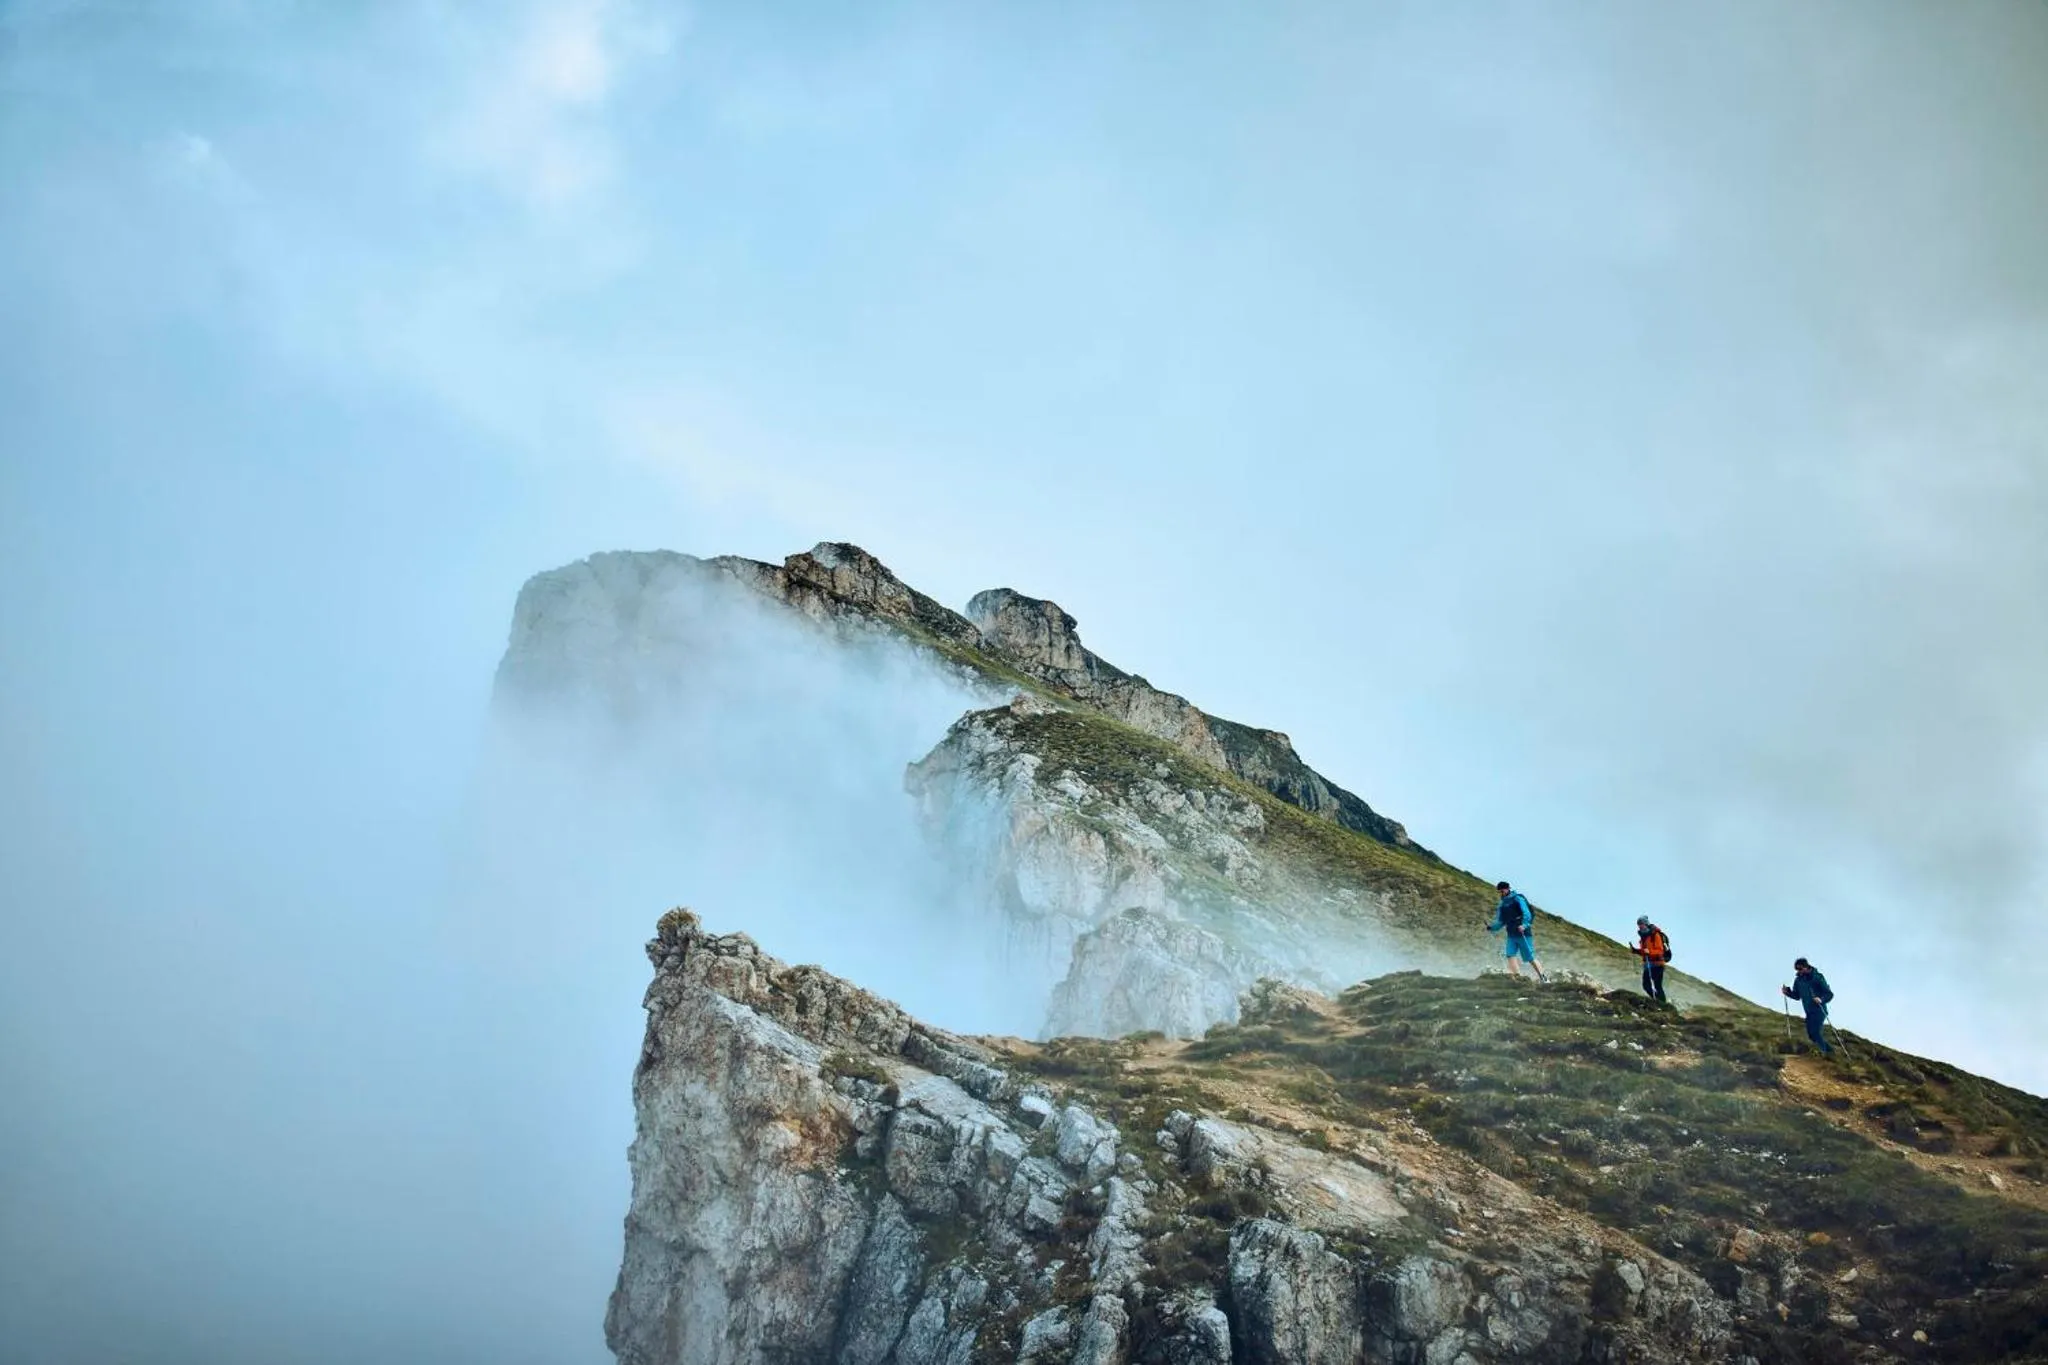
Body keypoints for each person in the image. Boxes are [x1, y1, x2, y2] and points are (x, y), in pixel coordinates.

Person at [1486, 880, 1547, 983]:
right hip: (1511, 934)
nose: (1501, 893)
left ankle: (1543, 977)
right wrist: (1492, 928)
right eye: (1499, 891)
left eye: (1502, 891)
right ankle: (1518, 978)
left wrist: (1524, 925)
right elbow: (1501, 921)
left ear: (1507, 889)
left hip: (1523, 933)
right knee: (1510, 954)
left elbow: (1526, 913)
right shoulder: (1502, 905)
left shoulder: (1518, 899)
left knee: (1530, 957)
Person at [1781, 958, 1835, 1056]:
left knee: (1815, 1033)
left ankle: (1823, 1054)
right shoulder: (1798, 980)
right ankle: (1831, 1053)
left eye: (1800, 969)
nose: (1799, 971)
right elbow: (1797, 996)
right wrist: (1788, 992)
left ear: (1806, 967)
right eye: (1797, 969)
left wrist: (1821, 999)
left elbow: (1829, 994)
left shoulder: (1817, 977)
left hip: (1819, 1010)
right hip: (1808, 1011)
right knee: (1811, 1035)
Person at [1629, 915, 1671, 1003]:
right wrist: (1636, 951)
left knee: (1657, 986)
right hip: (1648, 965)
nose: (1640, 926)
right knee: (1646, 985)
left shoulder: (1655, 934)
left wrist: (1649, 952)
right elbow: (1645, 951)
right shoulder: (1643, 937)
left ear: (1646, 924)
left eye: (1641, 924)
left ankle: (1662, 1004)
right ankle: (1657, 1001)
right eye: (1638, 924)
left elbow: (1660, 950)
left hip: (1658, 964)